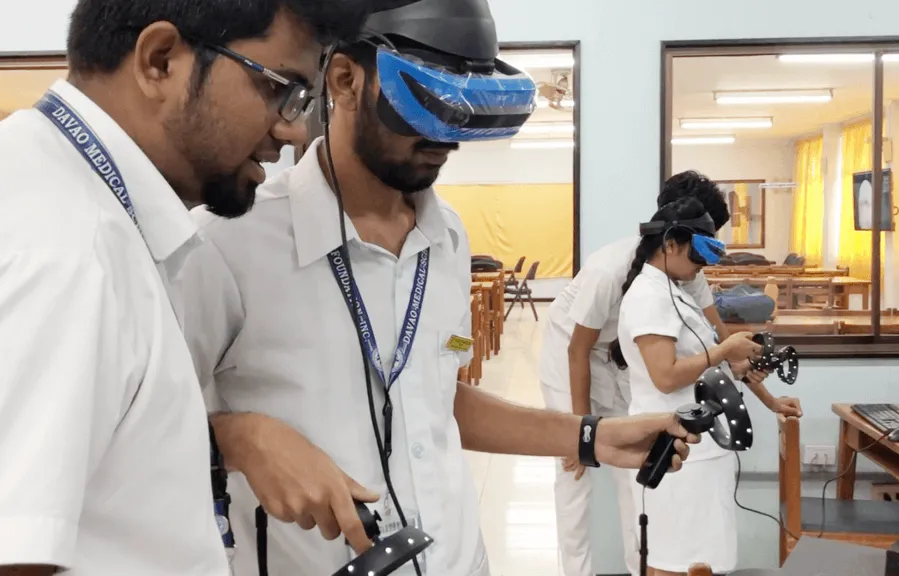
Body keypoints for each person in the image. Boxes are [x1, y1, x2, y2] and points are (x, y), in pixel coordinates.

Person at [170, 1, 699, 575]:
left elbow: (436, 395)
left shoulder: (446, 237)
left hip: (457, 559)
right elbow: (141, 428)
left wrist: (590, 436)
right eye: (425, 107)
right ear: (346, 81)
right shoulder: (224, 246)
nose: (447, 140)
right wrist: (237, 436)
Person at [0, 1, 379, 574]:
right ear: (160, 62)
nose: (291, 128)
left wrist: (236, 435)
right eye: (281, 90)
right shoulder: (70, 251)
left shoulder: (56, 188)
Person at [537, 171, 731, 576]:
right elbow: (578, 349)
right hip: (569, 352)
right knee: (576, 469)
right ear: (678, 234)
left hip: (617, 357)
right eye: (703, 243)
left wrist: (750, 371)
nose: (705, 259)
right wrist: (580, 431)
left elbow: (717, 334)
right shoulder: (609, 268)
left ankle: (641, 567)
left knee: (638, 469)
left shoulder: (685, 268)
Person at [612, 198, 803, 576]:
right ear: (670, 245)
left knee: (700, 561)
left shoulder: (673, 289)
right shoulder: (650, 297)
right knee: (674, 563)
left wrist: (766, 396)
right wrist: (724, 350)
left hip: (697, 450)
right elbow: (665, 376)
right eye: (696, 258)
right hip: (676, 449)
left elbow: (706, 368)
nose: (700, 268)